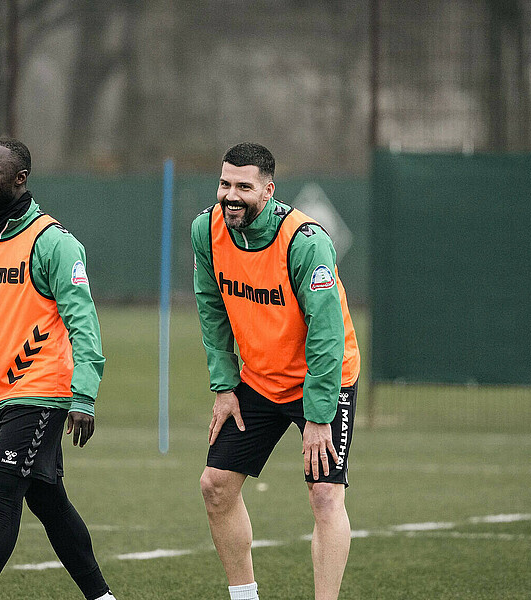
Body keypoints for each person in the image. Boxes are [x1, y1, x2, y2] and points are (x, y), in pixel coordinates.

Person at [0, 138, 116, 600]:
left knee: (1, 497)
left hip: (43, 390)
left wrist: (84, 395)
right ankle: (102, 596)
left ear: (20, 180)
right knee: (46, 498)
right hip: (3, 395)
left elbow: (84, 324)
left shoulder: (53, 243)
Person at [191, 142, 361, 600]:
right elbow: (212, 309)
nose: (230, 195)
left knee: (325, 495)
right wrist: (225, 387)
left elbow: (326, 333)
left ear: (268, 190)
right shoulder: (206, 231)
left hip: (322, 379)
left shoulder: (306, 241)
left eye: (243, 186)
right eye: (224, 183)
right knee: (216, 487)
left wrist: (319, 415)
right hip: (259, 379)